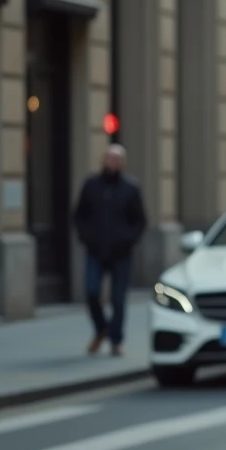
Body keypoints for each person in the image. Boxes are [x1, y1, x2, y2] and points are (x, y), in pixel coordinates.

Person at [73, 144, 148, 356]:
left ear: (121, 163)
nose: (111, 162)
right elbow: (79, 215)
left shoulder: (130, 188)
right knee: (91, 291)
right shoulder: (92, 185)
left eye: (115, 159)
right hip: (95, 250)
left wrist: (129, 240)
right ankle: (101, 329)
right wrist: (85, 237)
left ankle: (116, 340)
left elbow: (140, 221)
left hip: (121, 253)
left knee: (118, 299)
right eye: (108, 158)